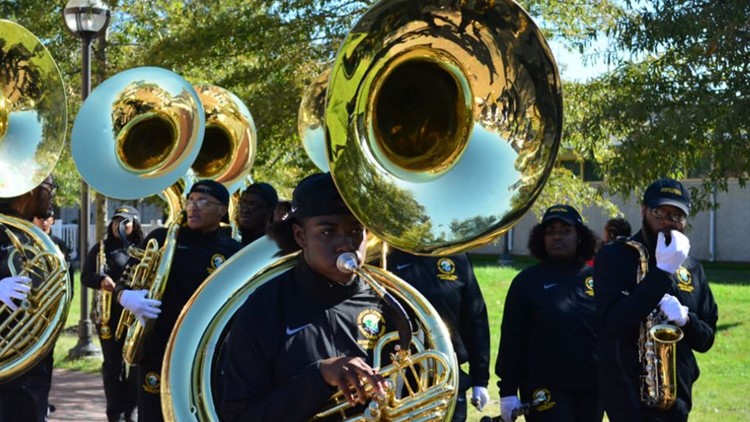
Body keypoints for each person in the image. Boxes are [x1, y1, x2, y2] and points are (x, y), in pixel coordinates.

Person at [221, 172, 393, 421]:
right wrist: (320, 376)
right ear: (300, 236)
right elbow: (239, 416)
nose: (345, 243)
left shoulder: (388, 301)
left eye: (355, 230)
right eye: (327, 232)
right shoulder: (264, 307)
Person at [114, 180, 242, 422]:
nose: (193, 207)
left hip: (206, 351)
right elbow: (124, 282)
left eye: (203, 202)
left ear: (223, 210)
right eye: (191, 200)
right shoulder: (162, 237)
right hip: (157, 345)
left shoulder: (232, 250)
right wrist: (126, 297)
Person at [594, 178, 718, 421]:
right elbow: (613, 321)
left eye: (676, 215)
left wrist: (687, 320)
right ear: (643, 210)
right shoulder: (615, 256)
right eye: (659, 212)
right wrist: (661, 273)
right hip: (627, 398)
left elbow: (706, 339)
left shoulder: (692, 267)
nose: (667, 221)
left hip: (676, 398)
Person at [496, 204, 602, 422]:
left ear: (579, 237)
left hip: (592, 388)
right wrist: (507, 391)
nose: (557, 237)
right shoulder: (527, 282)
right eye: (550, 232)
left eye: (565, 231)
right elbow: (511, 339)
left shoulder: (597, 279)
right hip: (545, 388)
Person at [386, 249, 490, 421]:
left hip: (448, 378)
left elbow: (474, 318)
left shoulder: (458, 257)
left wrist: (480, 379)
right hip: (399, 381)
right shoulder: (385, 255)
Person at [0, 176, 60, 422]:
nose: (52, 194)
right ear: (31, 188)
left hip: (32, 369)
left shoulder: (33, 237)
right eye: (48, 187)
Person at [81, 205, 144, 422]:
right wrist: (100, 280)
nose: (119, 225)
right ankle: (115, 413)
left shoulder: (142, 248)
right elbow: (85, 276)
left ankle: (131, 411)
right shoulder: (101, 248)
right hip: (109, 316)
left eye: (125, 221)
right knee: (113, 366)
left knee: (135, 364)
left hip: (136, 315)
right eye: (116, 220)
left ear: (134, 224)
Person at [32, 208, 74, 290]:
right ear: (33, 220)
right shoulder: (26, 241)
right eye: (39, 217)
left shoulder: (59, 244)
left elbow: (68, 271)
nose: (44, 222)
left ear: (53, 220)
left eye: (47, 218)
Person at [236, 182, 278, 246]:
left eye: (252, 205)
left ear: (269, 211)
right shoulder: (231, 239)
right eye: (243, 203)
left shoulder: (272, 246)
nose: (245, 210)